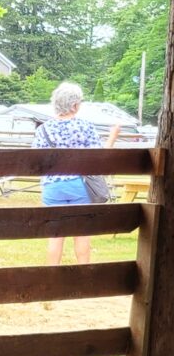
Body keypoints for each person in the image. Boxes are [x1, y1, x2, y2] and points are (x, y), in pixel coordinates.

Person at [34, 81, 103, 267]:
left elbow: (36, 159)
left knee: (55, 235)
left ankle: (51, 276)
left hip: (52, 185)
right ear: (74, 105)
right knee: (81, 233)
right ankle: (84, 274)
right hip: (79, 184)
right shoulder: (85, 127)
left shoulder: (43, 129)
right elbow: (98, 155)